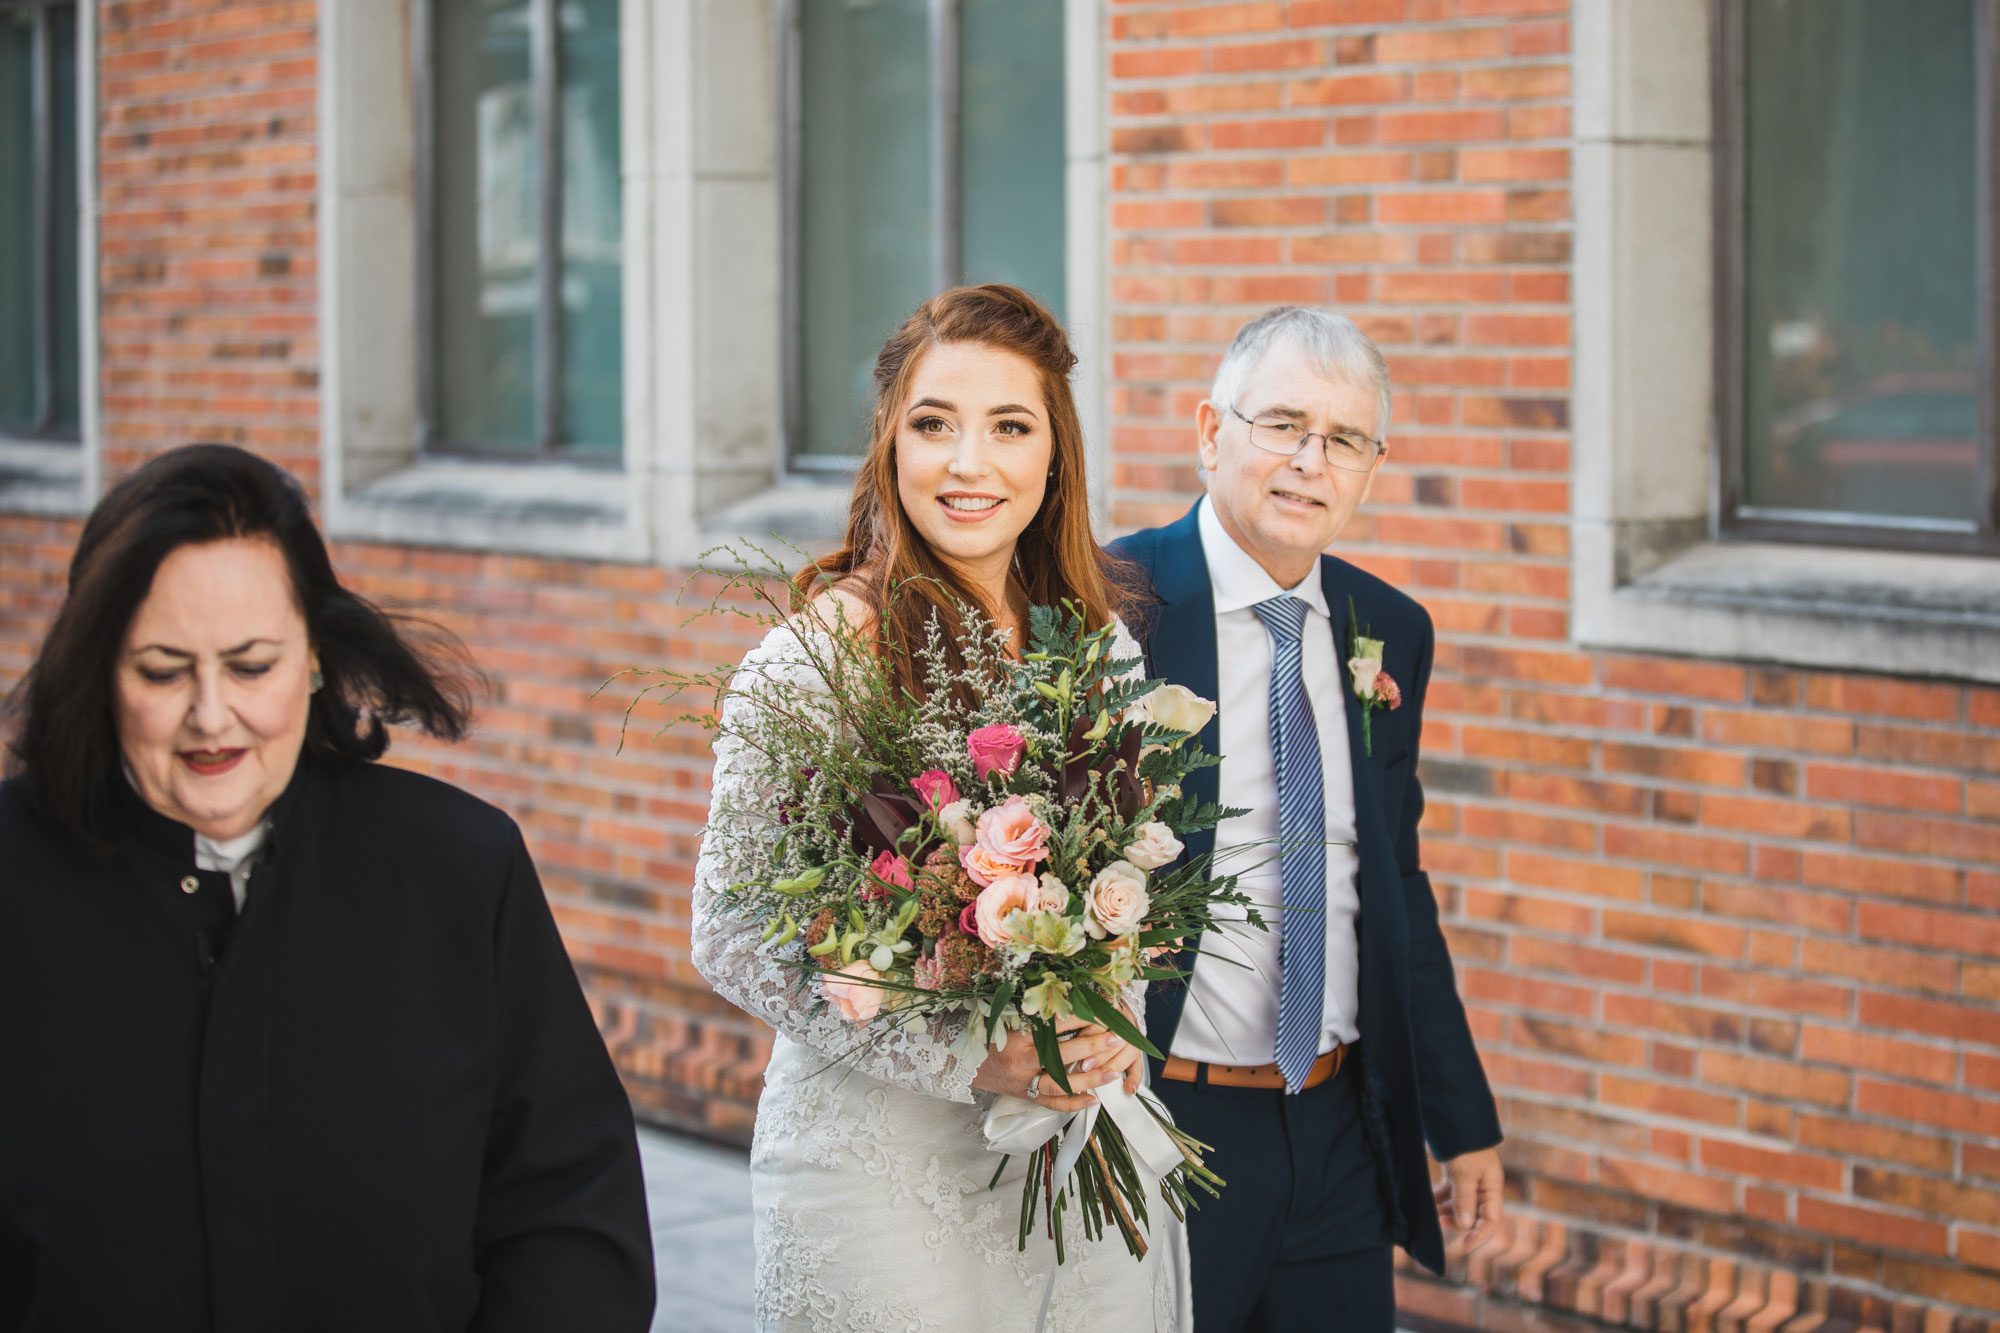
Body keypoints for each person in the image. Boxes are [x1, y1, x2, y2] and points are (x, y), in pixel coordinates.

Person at [0, 444, 655, 1332]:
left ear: (314, 655)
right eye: (161, 669)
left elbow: (570, 1217)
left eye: (251, 664)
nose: (210, 714)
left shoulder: (458, 868)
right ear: (100, 669)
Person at [692, 284, 1190, 1330]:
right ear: (888, 446)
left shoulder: (1097, 648)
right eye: (934, 425)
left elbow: (1120, 885)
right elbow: (731, 933)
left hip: (1066, 1150)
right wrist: (969, 1056)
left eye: (1009, 426)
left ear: (1054, 454)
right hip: (876, 1172)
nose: (969, 463)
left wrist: (1103, 1030)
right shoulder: (814, 664)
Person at [1109, 307, 1504, 1332]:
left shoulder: (1390, 632)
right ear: (1209, 431)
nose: (1307, 462)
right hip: (1162, 1121)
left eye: (1342, 439)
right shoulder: (1110, 602)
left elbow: (1394, 888)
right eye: (1280, 424)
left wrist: (1461, 1122)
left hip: (1336, 1128)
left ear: (1372, 465)